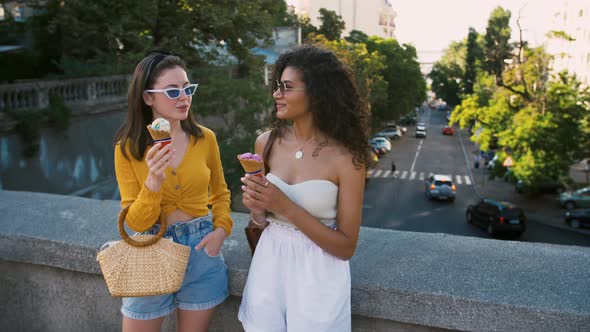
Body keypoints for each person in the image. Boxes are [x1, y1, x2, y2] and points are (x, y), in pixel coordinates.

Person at [238, 45, 373, 331]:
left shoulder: (347, 158)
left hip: (319, 274)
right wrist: (258, 210)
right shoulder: (266, 143)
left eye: (287, 87)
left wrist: (284, 205)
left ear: (317, 93)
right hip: (269, 264)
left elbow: (346, 246)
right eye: (277, 87)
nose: (277, 94)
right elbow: (261, 222)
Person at [113, 51, 232, 332]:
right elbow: (136, 223)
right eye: (172, 90)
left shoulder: (205, 139)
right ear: (147, 97)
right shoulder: (127, 149)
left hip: (203, 250)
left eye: (187, 88)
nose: (184, 97)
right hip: (151, 249)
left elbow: (221, 193)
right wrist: (153, 180)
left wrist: (221, 230)